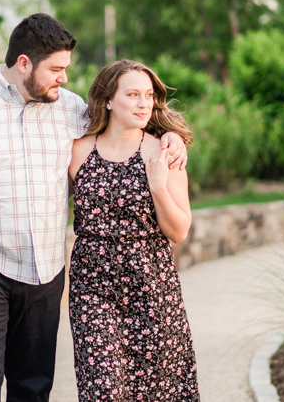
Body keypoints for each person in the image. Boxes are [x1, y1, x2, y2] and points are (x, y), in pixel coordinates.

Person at [0, 14, 187, 402]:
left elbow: (124, 123)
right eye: (56, 69)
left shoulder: (71, 109)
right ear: (23, 64)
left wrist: (170, 136)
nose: (64, 78)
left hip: (44, 273)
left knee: (33, 388)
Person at [68, 59, 199, 401]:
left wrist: (157, 187)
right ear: (108, 100)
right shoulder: (77, 151)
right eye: (133, 94)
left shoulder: (164, 152)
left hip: (152, 287)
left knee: (156, 390)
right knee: (102, 390)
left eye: (149, 95)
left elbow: (180, 230)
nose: (144, 103)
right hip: (92, 287)